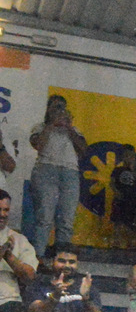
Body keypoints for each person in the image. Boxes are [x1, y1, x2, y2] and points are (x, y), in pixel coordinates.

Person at [28, 94, 87, 257]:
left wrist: (69, 127)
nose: (60, 110)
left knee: (66, 219)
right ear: (48, 109)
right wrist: (51, 124)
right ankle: (37, 259)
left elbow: (83, 150)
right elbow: (38, 145)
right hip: (46, 170)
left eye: (62, 106)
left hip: (70, 172)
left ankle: (61, 259)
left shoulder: (74, 130)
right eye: (56, 106)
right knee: (44, 217)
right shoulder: (40, 127)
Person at [0, 189, 39, 312]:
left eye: (6, 210)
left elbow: (30, 275)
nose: (2, 214)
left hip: (8, 298)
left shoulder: (19, 240)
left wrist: (9, 256)